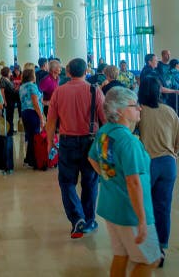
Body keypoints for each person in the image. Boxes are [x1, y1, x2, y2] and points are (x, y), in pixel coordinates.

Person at [88, 87, 162, 275]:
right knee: (151, 260)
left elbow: (92, 158)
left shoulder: (105, 132)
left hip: (111, 206)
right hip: (130, 212)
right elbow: (134, 182)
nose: (140, 108)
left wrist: (109, 179)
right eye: (134, 105)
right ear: (119, 111)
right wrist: (142, 219)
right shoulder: (129, 142)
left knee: (121, 255)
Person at [46, 58, 107, 239]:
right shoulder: (95, 91)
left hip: (67, 142)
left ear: (68, 72)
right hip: (91, 141)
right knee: (90, 182)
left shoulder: (59, 92)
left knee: (67, 182)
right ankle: (88, 219)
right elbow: (105, 120)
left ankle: (77, 218)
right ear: (85, 72)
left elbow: (51, 121)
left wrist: (50, 142)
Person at [136, 76, 179, 266]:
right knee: (163, 207)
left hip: (147, 163)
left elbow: (129, 135)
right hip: (168, 164)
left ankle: (145, 247)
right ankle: (161, 249)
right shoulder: (169, 111)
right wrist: (172, 154)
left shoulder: (140, 111)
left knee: (144, 208)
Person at [19, 68, 45, 168]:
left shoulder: (22, 87)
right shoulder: (32, 86)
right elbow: (35, 102)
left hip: (25, 112)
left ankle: (28, 159)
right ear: (32, 76)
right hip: (33, 113)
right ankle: (33, 160)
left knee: (30, 136)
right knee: (35, 137)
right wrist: (41, 117)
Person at [0, 67, 20, 135]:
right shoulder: (2, 80)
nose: (11, 73)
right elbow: (2, 91)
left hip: (11, 100)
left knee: (11, 115)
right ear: (6, 73)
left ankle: (11, 129)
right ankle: (9, 131)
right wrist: (4, 101)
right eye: (9, 72)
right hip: (7, 100)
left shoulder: (8, 79)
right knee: (8, 116)